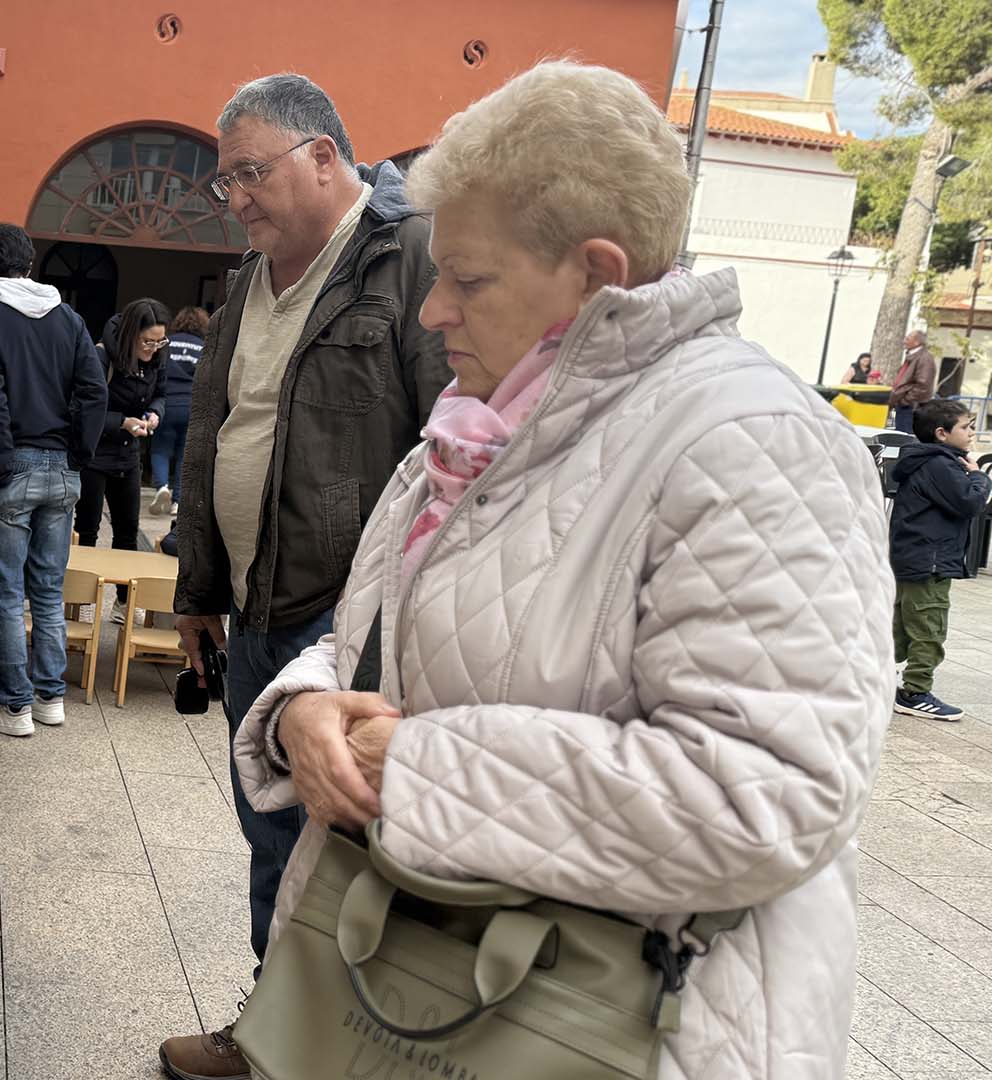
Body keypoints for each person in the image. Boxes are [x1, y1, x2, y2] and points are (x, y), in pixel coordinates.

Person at [228, 61, 889, 1080]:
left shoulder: (755, 445)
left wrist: (421, 767)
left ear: (597, 271)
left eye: (469, 279)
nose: (433, 311)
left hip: (624, 1029)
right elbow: (383, 639)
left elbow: (769, 794)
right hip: (449, 997)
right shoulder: (481, 429)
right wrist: (307, 709)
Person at [161, 72, 451, 1080]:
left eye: (250, 170)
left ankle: (334, 1050)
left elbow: (454, 458)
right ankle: (270, 1030)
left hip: (349, 623)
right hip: (252, 606)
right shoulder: (250, 278)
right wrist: (198, 587)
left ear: (325, 156)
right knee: (271, 836)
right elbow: (214, 436)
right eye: (223, 178)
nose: (233, 195)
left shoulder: (408, 258)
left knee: (342, 858)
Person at [0, 223, 108, 736]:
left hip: (14, 466)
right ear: (31, 262)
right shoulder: (69, 319)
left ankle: (15, 706)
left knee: (5, 594)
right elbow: (93, 391)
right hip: (62, 468)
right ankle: (50, 698)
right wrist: (77, 455)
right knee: (47, 591)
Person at [891, 399, 990, 720]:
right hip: (930, 559)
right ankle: (914, 692)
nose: (972, 432)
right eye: (966, 426)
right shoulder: (941, 465)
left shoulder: (925, 461)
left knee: (903, 628)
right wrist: (979, 477)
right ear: (941, 433)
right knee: (929, 629)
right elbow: (969, 502)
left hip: (912, 556)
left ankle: (874, 678)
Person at [77, 297, 166, 623]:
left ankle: (123, 603)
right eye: (147, 341)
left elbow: (161, 393)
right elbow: (87, 408)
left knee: (127, 531)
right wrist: (122, 422)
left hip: (128, 455)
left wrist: (155, 413)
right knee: (86, 529)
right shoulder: (102, 356)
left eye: (160, 341)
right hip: (96, 454)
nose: (154, 348)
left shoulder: (157, 358)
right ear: (130, 334)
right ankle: (79, 600)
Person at [150, 306, 206, 514]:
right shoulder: (203, 346)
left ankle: (162, 486)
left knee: (160, 448)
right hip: (192, 404)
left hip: (167, 401)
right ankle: (177, 502)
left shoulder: (167, 343)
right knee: (184, 453)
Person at [891, 329, 936, 434]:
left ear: (917, 342)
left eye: (907, 338)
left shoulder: (924, 358)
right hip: (904, 405)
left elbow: (923, 385)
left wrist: (905, 400)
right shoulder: (912, 356)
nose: (904, 341)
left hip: (911, 407)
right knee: (900, 437)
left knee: (906, 439)